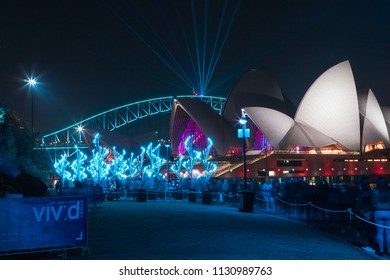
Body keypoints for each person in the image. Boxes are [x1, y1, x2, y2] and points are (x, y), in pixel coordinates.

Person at [354, 177, 376, 251]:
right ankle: (372, 245)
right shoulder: (371, 192)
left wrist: (355, 211)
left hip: (365, 212)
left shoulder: (363, 193)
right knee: (372, 230)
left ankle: (372, 246)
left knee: (368, 230)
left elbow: (360, 203)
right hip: (371, 212)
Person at [372, 177, 390, 256]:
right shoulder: (389, 191)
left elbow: (373, 203)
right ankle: (389, 250)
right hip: (388, 212)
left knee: (380, 233)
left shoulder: (375, 191)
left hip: (378, 212)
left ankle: (381, 251)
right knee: (388, 233)